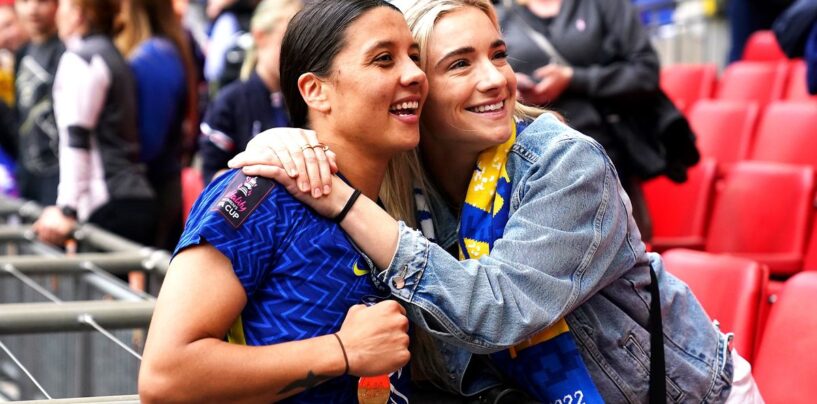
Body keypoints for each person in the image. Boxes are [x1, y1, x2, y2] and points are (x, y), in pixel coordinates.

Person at [230, 0, 763, 402]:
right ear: (415, 88)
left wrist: (344, 203)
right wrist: (286, 141)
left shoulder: (567, 163)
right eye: (460, 64)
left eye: (498, 54)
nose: (496, 79)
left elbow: (496, 312)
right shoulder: (396, 173)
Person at [138, 0, 426, 402]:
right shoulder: (262, 193)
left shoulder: (405, 195)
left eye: (415, 57)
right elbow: (165, 377)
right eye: (383, 59)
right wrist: (343, 351)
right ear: (315, 91)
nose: (414, 74)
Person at [496, 0, 660, 241]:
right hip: (529, 165)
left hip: (605, 155)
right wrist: (511, 85)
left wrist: (574, 79)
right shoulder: (501, 13)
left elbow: (645, 72)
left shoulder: (602, 6)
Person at [32, 0, 155, 248]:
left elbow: (76, 138)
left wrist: (67, 208)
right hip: (130, 198)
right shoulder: (111, 54)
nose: (58, 14)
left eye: (63, 6)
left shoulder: (80, 59)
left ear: (78, 14)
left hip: (106, 203)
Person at [116, 0, 198, 250]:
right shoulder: (157, 51)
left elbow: (150, 141)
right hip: (151, 188)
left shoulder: (154, 56)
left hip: (152, 191)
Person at [198, 0, 296, 184]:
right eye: (287, 42)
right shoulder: (230, 101)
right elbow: (210, 174)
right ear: (260, 36)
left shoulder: (304, 100)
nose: (295, 54)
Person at [13, 0, 64, 206]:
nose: (33, 9)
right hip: (28, 174)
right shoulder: (23, 53)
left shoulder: (66, 52)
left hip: (59, 176)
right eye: (25, 1)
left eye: (42, 1)